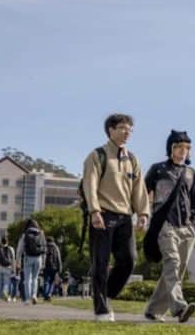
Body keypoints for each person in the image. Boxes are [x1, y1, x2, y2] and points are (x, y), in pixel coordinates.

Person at [82, 114, 150, 322]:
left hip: (124, 217)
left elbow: (139, 188)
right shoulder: (97, 155)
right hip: (102, 215)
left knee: (129, 261)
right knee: (100, 263)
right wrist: (94, 211)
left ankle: (105, 295)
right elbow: (90, 184)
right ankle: (101, 309)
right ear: (110, 130)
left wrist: (143, 213)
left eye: (130, 129)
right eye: (122, 127)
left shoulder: (132, 159)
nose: (127, 132)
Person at [143, 130, 195, 323]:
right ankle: (179, 308)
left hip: (186, 228)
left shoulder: (191, 173)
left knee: (177, 269)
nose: (183, 151)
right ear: (171, 148)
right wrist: (142, 216)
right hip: (164, 225)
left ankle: (153, 310)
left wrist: (193, 223)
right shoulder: (158, 169)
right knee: (172, 263)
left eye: (187, 148)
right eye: (179, 147)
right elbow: (142, 194)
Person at [16, 219, 47, 305]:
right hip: (38, 258)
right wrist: (44, 261)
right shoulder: (41, 233)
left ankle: (27, 298)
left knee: (27, 279)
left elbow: (20, 248)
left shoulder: (25, 234)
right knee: (35, 278)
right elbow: (44, 248)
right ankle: (34, 295)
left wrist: (18, 260)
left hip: (28, 257)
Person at [0, 236, 16, 301]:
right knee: (6, 282)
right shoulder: (11, 249)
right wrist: (13, 269)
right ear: (7, 241)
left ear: (1, 242)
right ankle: (5, 292)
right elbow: (13, 259)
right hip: (8, 267)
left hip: (0, 267)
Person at [42, 237, 62, 301]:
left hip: (46, 266)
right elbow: (58, 258)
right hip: (54, 267)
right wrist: (60, 267)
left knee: (46, 281)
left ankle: (45, 294)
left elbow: (42, 256)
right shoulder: (56, 247)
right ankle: (49, 294)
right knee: (52, 281)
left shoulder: (44, 247)